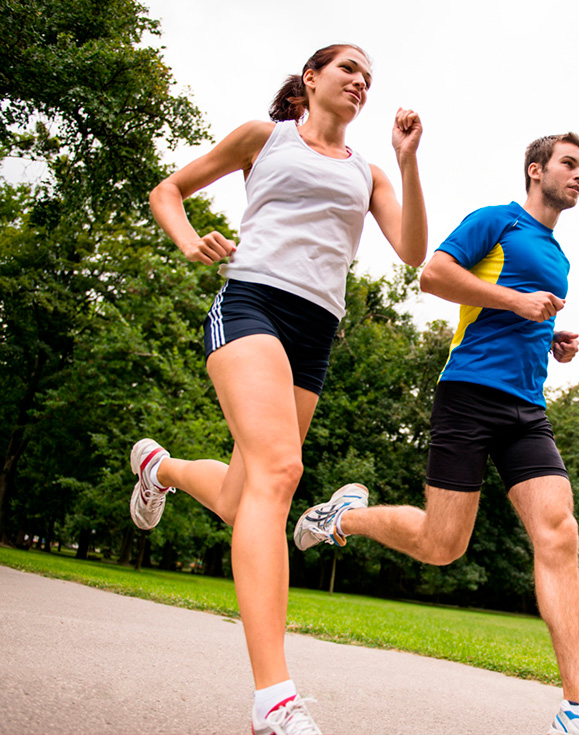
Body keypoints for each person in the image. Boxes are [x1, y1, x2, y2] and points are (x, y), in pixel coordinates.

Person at [128, 43, 427, 735]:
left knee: (244, 499)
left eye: (369, 77)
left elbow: (412, 251)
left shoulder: (368, 170)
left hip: (315, 332)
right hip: (253, 303)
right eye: (347, 68)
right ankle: (274, 699)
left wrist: (407, 164)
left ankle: (160, 467)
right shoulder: (264, 139)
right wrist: (185, 238)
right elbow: (166, 190)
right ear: (312, 78)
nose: (360, 80)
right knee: (281, 472)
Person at [294, 133, 579, 735]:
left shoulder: (559, 255)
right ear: (536, 170)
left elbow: (517, 313)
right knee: (441, 544)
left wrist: (548, 337)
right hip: (469, 396)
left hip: (528, 408)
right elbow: (432, 276)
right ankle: (343, 517)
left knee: (560, 533)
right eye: (569, 164)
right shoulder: (494, 221)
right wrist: (514, 302)